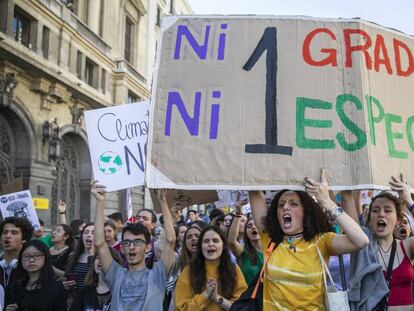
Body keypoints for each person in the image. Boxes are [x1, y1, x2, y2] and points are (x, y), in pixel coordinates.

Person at [249, 169, 369, 310]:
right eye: (281, 205)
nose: (285, 207)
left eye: (293, 204)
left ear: (307, 212)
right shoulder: (269, 239)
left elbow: (362, 241)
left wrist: (328, 203)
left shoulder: (322, 241)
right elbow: (253, 188)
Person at [92, 182, 176, 310]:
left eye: (137, 242)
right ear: (122, 247)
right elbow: (99, 243)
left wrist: (162, 201)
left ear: (148, 247)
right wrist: (100, 202)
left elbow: (170, 241)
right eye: (127, 242)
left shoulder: (157, 275)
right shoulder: (116, 275)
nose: (131, 247)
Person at [347, 174, 414, 310]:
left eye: (388, 210)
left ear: (398, 219)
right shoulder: (362, 244)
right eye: (375, 210)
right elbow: (347, 198)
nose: (381, 214)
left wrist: (408, 200)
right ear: (370, 217)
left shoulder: (407, 246)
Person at [175, 225, 247, 310]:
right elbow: (181, 307)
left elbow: (242, 306)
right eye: (206, 241)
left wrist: (217, 298)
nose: (210, 244)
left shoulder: (233, 269)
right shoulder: (189, 270)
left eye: (215, 241)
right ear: (201, 247)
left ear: (223, 245)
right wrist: (205, 295)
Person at [5, 239, 67, 311]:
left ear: (45, 258)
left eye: (37, 255)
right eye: (26, 256)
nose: (31, 260)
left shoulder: (57, 288)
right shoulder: (13, 287)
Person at [228, 203, 263, 285]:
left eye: (256, 225)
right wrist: (238, 213)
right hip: (250, 296)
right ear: (246, 233)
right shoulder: (243, 251)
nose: (253, 227)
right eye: (249, 226)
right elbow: (231, 241)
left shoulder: (272, 249)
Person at [0, 217, 33, 298]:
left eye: (14, 233)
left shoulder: (31, 266)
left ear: (24, 239)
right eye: (5, 232)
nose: (8, 236)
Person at [64, 223, 95, 291]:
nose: (89, 235)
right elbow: (67, 275)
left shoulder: (101, 257)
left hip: (91, 297)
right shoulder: (73, 255)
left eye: (93, 233)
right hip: (76, 297)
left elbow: (94, 277)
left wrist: (91, 255)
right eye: (86, 232)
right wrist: (66, 284)